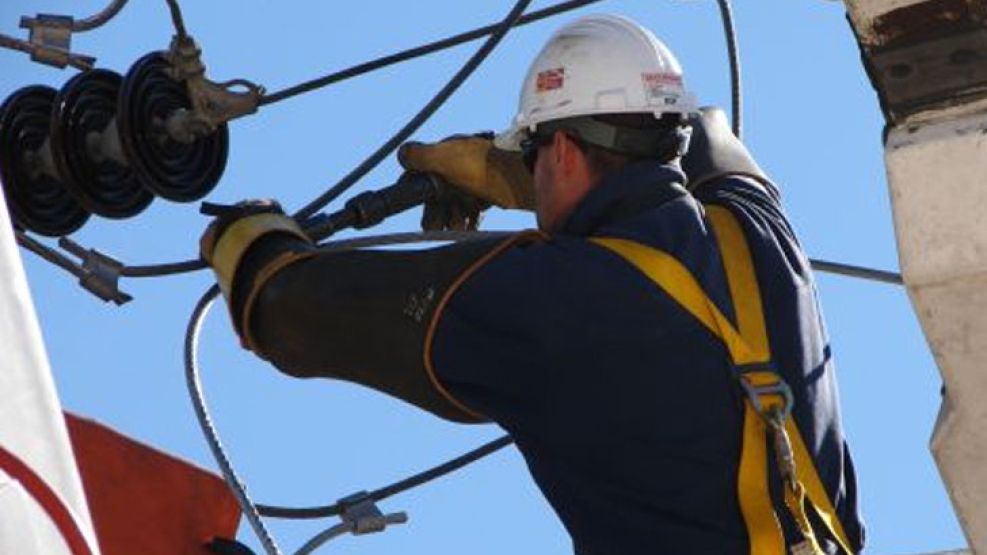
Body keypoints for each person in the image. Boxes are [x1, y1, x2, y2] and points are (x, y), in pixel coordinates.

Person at [200, 14, 864, 554]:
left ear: (568, 153)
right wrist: (520, 171)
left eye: (535, 155)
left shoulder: (550, 300)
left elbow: (285, 308)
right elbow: (709, 133)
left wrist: (247, 237)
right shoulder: (757, 231)